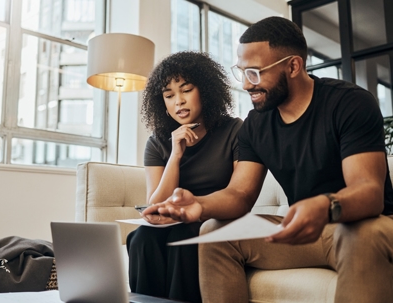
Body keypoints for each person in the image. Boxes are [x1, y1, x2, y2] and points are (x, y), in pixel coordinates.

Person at [145, 16, 393, 303]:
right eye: (242, 72)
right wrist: (199, 205)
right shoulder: (256, 124)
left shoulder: (348, 103)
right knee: (215, 233)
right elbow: (239, 194)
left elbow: (369, 192)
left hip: (369, 224)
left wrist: (325, 205)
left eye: (255, 73)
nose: (247, 85)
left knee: (359, 235)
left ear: (293, 65)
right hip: (306, 234)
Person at [126, 51, 243, 303]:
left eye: (186, 90)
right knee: (141, 238)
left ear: (206, 91)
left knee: (184, 236)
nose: (178, 101)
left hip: (214, 218)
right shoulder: (157, 142)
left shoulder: (234, 130)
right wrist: (175, 155)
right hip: (171, 222)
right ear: (163, 105)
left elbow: (238, 195)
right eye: (169, 96)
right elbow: (154, 205)